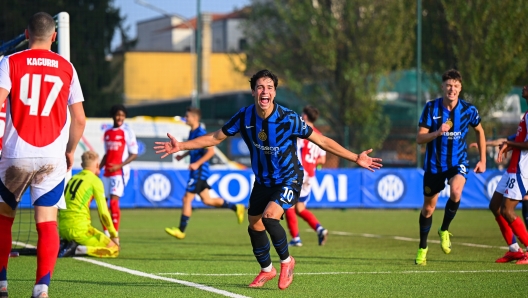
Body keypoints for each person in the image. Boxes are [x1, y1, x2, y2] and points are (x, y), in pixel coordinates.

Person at [154, 69, 382, 290]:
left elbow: (322, 142)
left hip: (289, 178)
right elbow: (215, 137)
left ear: (274, 93)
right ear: (253, 91)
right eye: (260, 87)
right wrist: (181, 146)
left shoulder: (288, 118)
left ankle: (287, 262)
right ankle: (267, 269)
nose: (265, 91)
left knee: (270, 217)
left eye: (270, 88)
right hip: (263, 181)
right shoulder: (244, 116)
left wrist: (355, 157)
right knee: (254, 225)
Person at [0, 12, 86, 298]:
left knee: (4, 218)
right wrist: (70, 151)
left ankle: (2, 284)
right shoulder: (67, 68)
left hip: (16, 154)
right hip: (52, 157)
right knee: (47, 223)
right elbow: (80, 120)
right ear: (54, 36)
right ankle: (41, 289)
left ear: (26, 34)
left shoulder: (9, 62)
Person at [415, 69, 486, 266]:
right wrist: (437, 132)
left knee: (456, 192)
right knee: (428, 208)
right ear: (443, 87)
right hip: (434, 165)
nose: (452, 89)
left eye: (455, 86)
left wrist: (483, 160)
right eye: (448, 85)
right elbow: (420, 139)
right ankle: (423, 247)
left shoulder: (469, 110)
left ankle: (444, 229)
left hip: (458, 162)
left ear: (460, 88)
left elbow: (480, 132)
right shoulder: (431, 108)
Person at [165, 107, 245, 239]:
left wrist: (196, 163)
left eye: (188, 116)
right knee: (207, 200)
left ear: (195, 118)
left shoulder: (200, 132)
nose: (186, 118)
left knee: (187, 199)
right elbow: (195, 146)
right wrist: (183, 154)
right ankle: (236, 207)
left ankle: (181, 230)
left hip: (199, 171)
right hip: (197, 171)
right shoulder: (193, 131)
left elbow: (210, 151)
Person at [488, 84, 528, 264]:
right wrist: (506, 143)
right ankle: (514, 250)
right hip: (513, 167)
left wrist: (510, 145)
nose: (524, 87)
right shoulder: (526, 115)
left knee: (507, 210)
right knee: (495, 206)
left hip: (522, 169)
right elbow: (519, 138)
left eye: (527, 86)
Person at [58, 151, 120, 258]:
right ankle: (79, 249)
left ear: (82, 165)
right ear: (97, 165)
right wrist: (114, 234)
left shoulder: (73, 179)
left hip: (63, 230)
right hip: (79, 230)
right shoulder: (95, 181)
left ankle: (67, 243)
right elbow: (104, 213)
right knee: (114, 249)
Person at [285, 105, 328, 247]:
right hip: (310, 174)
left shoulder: (301, 132)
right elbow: (322, 160)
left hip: (298, 173)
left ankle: (296, 239)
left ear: (305, 117)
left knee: (288, 206)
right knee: (300, 209)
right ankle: (319, 229)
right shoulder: (320, 136)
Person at [99, 104, 138, 237]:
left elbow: (134, 154)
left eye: (122, 115)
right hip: (107, 172)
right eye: (117, 115)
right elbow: (107, 154)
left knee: (114, 202)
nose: (120, 117)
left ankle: (115, 234)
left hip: (119, 173)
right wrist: (98, 168)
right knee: (103, 204)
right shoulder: (108, 133)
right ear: (113, 116)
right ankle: (105, 233)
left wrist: (119, 166)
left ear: (125, 117)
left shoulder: (127, 132)